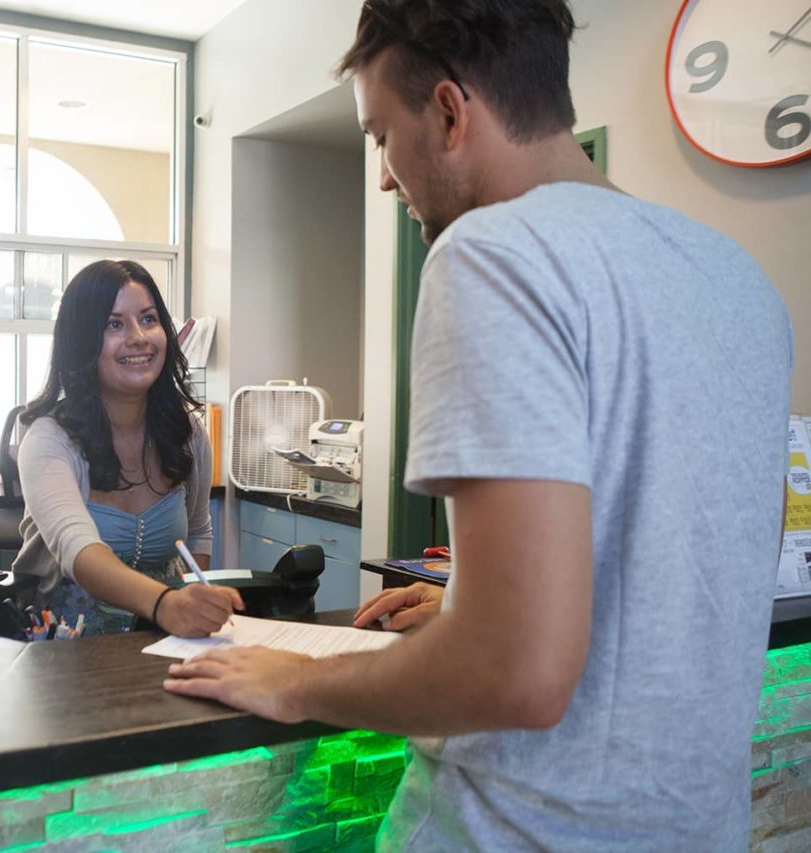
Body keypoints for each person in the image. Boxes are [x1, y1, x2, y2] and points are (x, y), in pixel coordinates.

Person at [165, 1, 793, 848]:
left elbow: (515, 671)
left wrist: (299, 683)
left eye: (381, 136)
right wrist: (473, 599)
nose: (384, 176)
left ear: (452, 114)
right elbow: (665, 556)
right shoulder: (738, 279)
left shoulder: (491, 254)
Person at [12, 259, 242, 637]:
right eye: (114, 324)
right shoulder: (47, 439)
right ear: (81, 342)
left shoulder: (188, 433)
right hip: (67, 650)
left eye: (149, 319)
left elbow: (198, 531)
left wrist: (191, 605)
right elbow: (79, 550)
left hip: (162, 640)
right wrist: (166, 604)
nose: (138, 337)